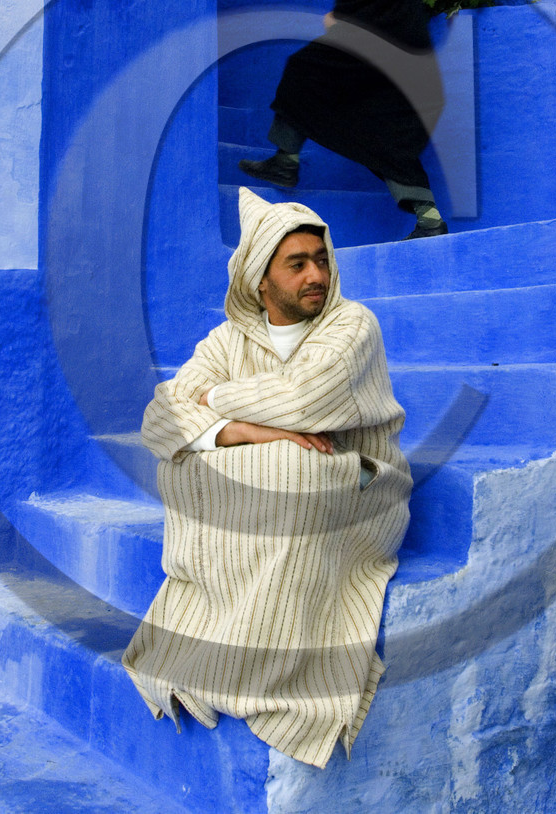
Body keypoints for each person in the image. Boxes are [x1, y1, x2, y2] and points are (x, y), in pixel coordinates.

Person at [122, 187, 412, 767]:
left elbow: (307, 397)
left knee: (293, 469)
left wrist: (213, 400)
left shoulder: (353, 323)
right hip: (272, 484)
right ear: (261, 281)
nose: (317, 275)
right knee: (195, 462)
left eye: (321, 259)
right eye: (297, 264)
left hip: (360, 487)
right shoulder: (228, 341)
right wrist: (248, 432)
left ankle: (262, 664)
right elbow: (159, 417)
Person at [239, 0, 449, 240]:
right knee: (380, 134)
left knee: (303, 68)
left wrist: (342, 16)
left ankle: (285, 162)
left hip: (375, 53)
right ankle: (430, 219)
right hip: (397, 67)